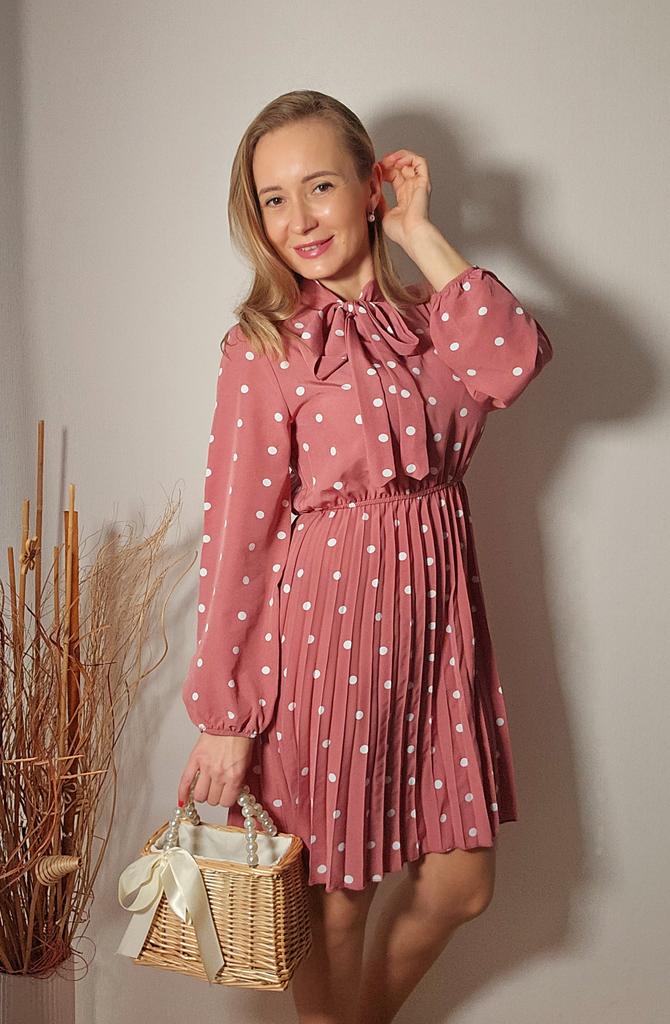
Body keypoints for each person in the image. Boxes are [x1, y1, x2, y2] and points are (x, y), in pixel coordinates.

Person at [177, 89, 553, 1024]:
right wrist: (227, 712)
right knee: (337, 906)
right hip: (326, 643)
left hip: (439, 637)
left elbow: (514, 362)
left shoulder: (436, 319)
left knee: (460, 886)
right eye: (273, 199)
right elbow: (239, 537)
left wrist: (421, 233)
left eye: (319, 186)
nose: (299, 219)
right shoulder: (263, 347)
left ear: (369, 187)